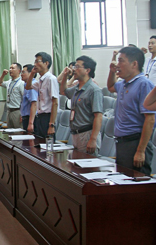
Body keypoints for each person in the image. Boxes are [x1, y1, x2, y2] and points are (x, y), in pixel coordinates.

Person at [107, 46, 155, 175]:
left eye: (121, 61)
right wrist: (112, 72)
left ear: (134, 64)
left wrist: (141, 151)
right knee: (123, 180)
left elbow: (150, 119)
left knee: (137, 182)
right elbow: (111, 86)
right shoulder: (123, 83)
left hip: (136, 142)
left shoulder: (144, 84)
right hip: (122, 142)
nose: (117, 65)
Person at [58, 56, 103, 154]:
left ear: (87, 70)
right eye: (74, 67)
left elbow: (98, 116)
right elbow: (63, 91)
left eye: (77, 67)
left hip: (87, 134)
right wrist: (65, 76)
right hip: (75, 133)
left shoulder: (94, 90)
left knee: (87, 163)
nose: (74, 69)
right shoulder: (77, 87)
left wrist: (93, 139)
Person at [25, 52, 59, 138]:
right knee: (40, 143)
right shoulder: (40, 80)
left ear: (46, 63)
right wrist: (32, 74)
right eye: (35, 62)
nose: (35, 64)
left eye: (38, 61)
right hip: (40, 117)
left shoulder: (51, 79)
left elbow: (55, 102)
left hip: (48, 118)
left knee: (47, 144)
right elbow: (28, 87)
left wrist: (51, 125)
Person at [0, 63, 25, 128]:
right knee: (10, 131)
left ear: (19, 71)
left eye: (13, 68)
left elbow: (24, 99)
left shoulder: (21, 83)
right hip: (9, 111)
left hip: (17, 111)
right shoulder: (9, 82)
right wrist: (3, 75)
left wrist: (22, 114)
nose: (10, 70)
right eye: (10, 68)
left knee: (18, 131)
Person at [20, 64, 38, 133]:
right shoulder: (26, 85)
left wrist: (31, 123)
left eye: (23, 72)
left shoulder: (32, 85)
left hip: (31, 119)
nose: (21, 74)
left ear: (31, 73)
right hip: (26, 117)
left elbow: (34, 104)